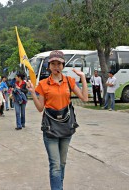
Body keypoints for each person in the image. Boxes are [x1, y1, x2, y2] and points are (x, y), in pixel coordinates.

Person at [26, 50, 88, 190]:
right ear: (49, 66)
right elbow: (40, 108)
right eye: (53, 63)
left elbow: (84, 98)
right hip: (50, 128)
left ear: (63, 65)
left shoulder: (69, 81)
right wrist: (32, 93)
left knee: (62, 163)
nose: (56, 66)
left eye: (59, 63)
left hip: (66, 127)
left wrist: (83, 77)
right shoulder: (43, 84)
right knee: (55, 165)